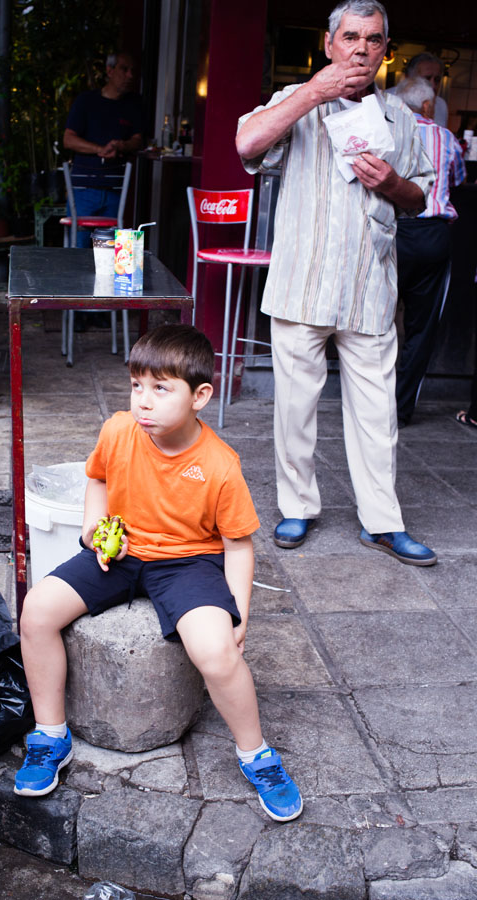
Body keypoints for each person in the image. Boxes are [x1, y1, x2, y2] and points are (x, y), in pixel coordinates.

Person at [14, 324, 303, 823]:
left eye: (161, 388)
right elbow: (97, 478)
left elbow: (237, 545)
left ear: (200, 397)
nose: (143, 402)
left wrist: (240, 614)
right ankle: (50, 735)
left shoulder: (219, 465)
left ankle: (257, 755)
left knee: (216, 652)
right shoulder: (118, 431)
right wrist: (92, 526)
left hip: (190, 563)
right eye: (136, 386)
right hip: (122, 549)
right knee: (37, 612)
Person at [236, 0, 438, 567]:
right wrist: (313, 92)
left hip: (370, 284)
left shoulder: (400, 117)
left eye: (373, 40)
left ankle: (383, 522)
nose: (361, 49)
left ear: (383, 48)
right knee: (294, 408)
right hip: (302, 282)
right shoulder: (294, 103)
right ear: (329, 44)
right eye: (350, 37)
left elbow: (420, 197)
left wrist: (393, 183)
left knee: (377, 415)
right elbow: (246, 145)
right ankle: (297, 507)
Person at [394, 77, 466, 426]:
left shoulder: (386, 133)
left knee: (376, 327)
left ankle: (371, 408)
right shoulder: (446, 137)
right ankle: (402, 409)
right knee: (420, 329)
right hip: (432, 237)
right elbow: (457, 179)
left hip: (391, 234)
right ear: (426, 106)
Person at [63, 52, 143, 249]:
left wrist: (121, 146)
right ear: (110, 70)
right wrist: (100, 149)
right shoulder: (86, 101)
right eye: (124, 69)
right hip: (83, 189)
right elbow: (68, 139)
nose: (130, 75)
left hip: (117, 190)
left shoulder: (134, 104)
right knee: (77, 250)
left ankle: (112, 281)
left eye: (133, 71)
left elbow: (138, 140)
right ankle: (73, 281)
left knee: (114, 253)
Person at [405, 53, 448, 128]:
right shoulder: (390, 99)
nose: (433, 85)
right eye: (427, 79)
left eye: (437, 80)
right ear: (409, 78)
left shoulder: (441, 105)